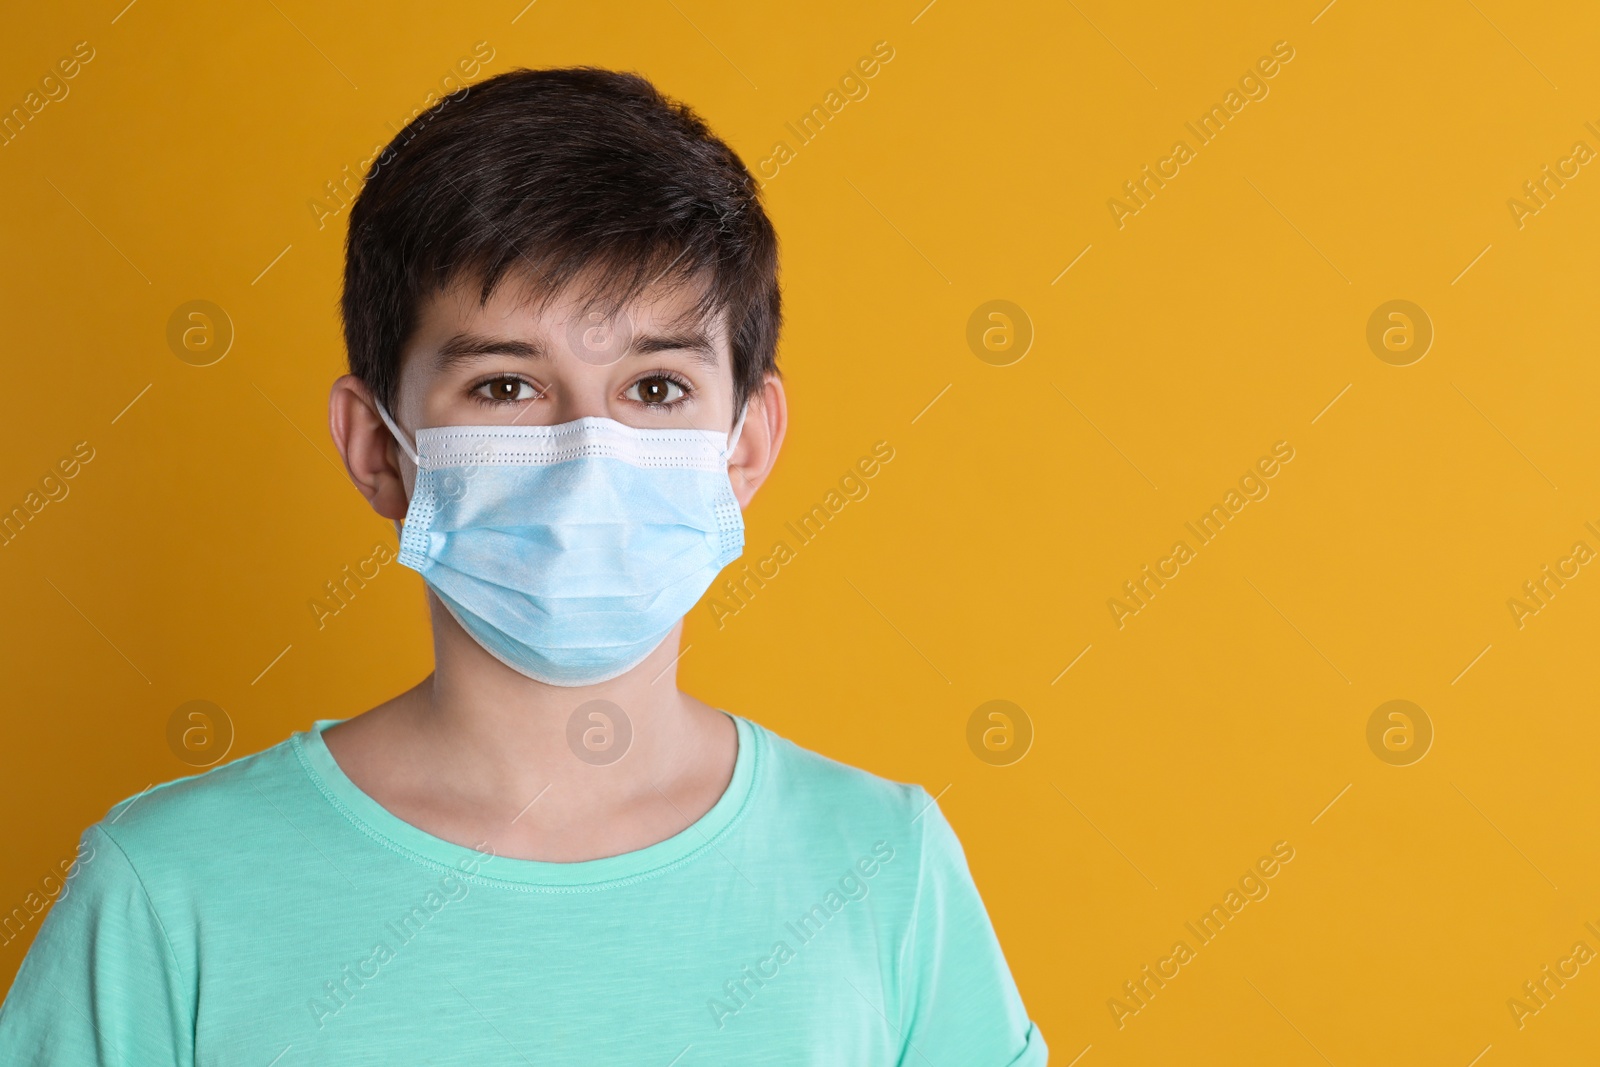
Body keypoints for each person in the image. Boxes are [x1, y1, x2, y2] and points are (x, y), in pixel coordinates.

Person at [0, 66, 1047, 1064]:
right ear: (378, 447)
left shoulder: (882, 865)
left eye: (656, 388)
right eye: (506, 387)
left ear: (747, 440)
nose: (589, 451)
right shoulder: (168, 888)